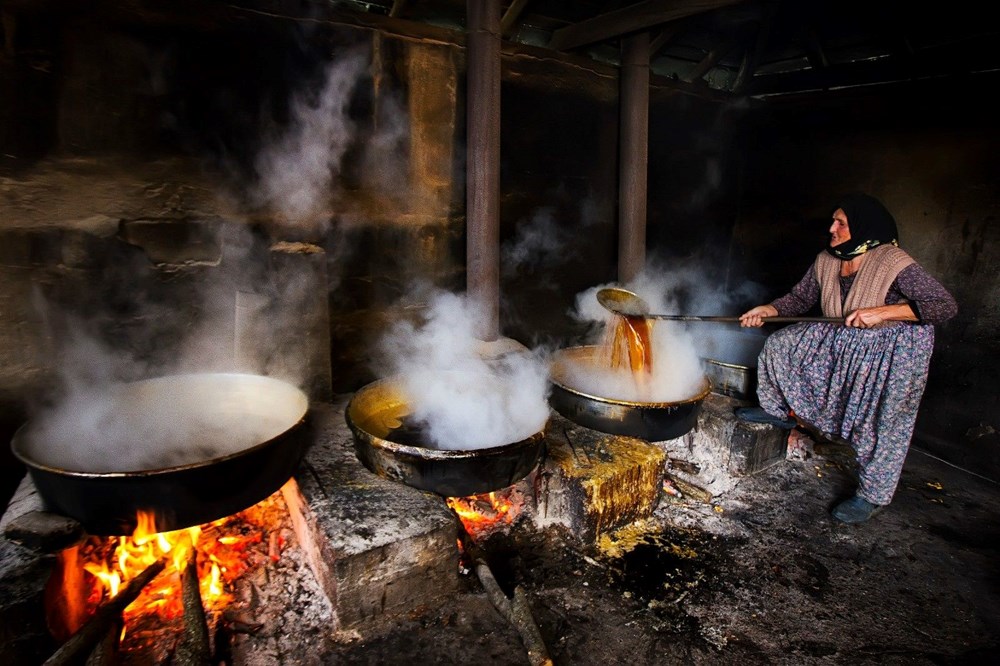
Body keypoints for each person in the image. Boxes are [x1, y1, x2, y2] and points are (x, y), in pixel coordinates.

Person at [736, 192, 957, 524]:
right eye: (833, 220)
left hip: (892, 351)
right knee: (781, 346)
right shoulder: (828, 259)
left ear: (866, 228)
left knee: (882, 421)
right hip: (844, 336)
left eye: (841, 222)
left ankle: (873, 496)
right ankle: (776, 410)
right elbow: (799, 298)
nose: (832, 228)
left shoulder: (891, 261)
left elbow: (944, 306)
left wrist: (883, 313)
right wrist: (768, 310)